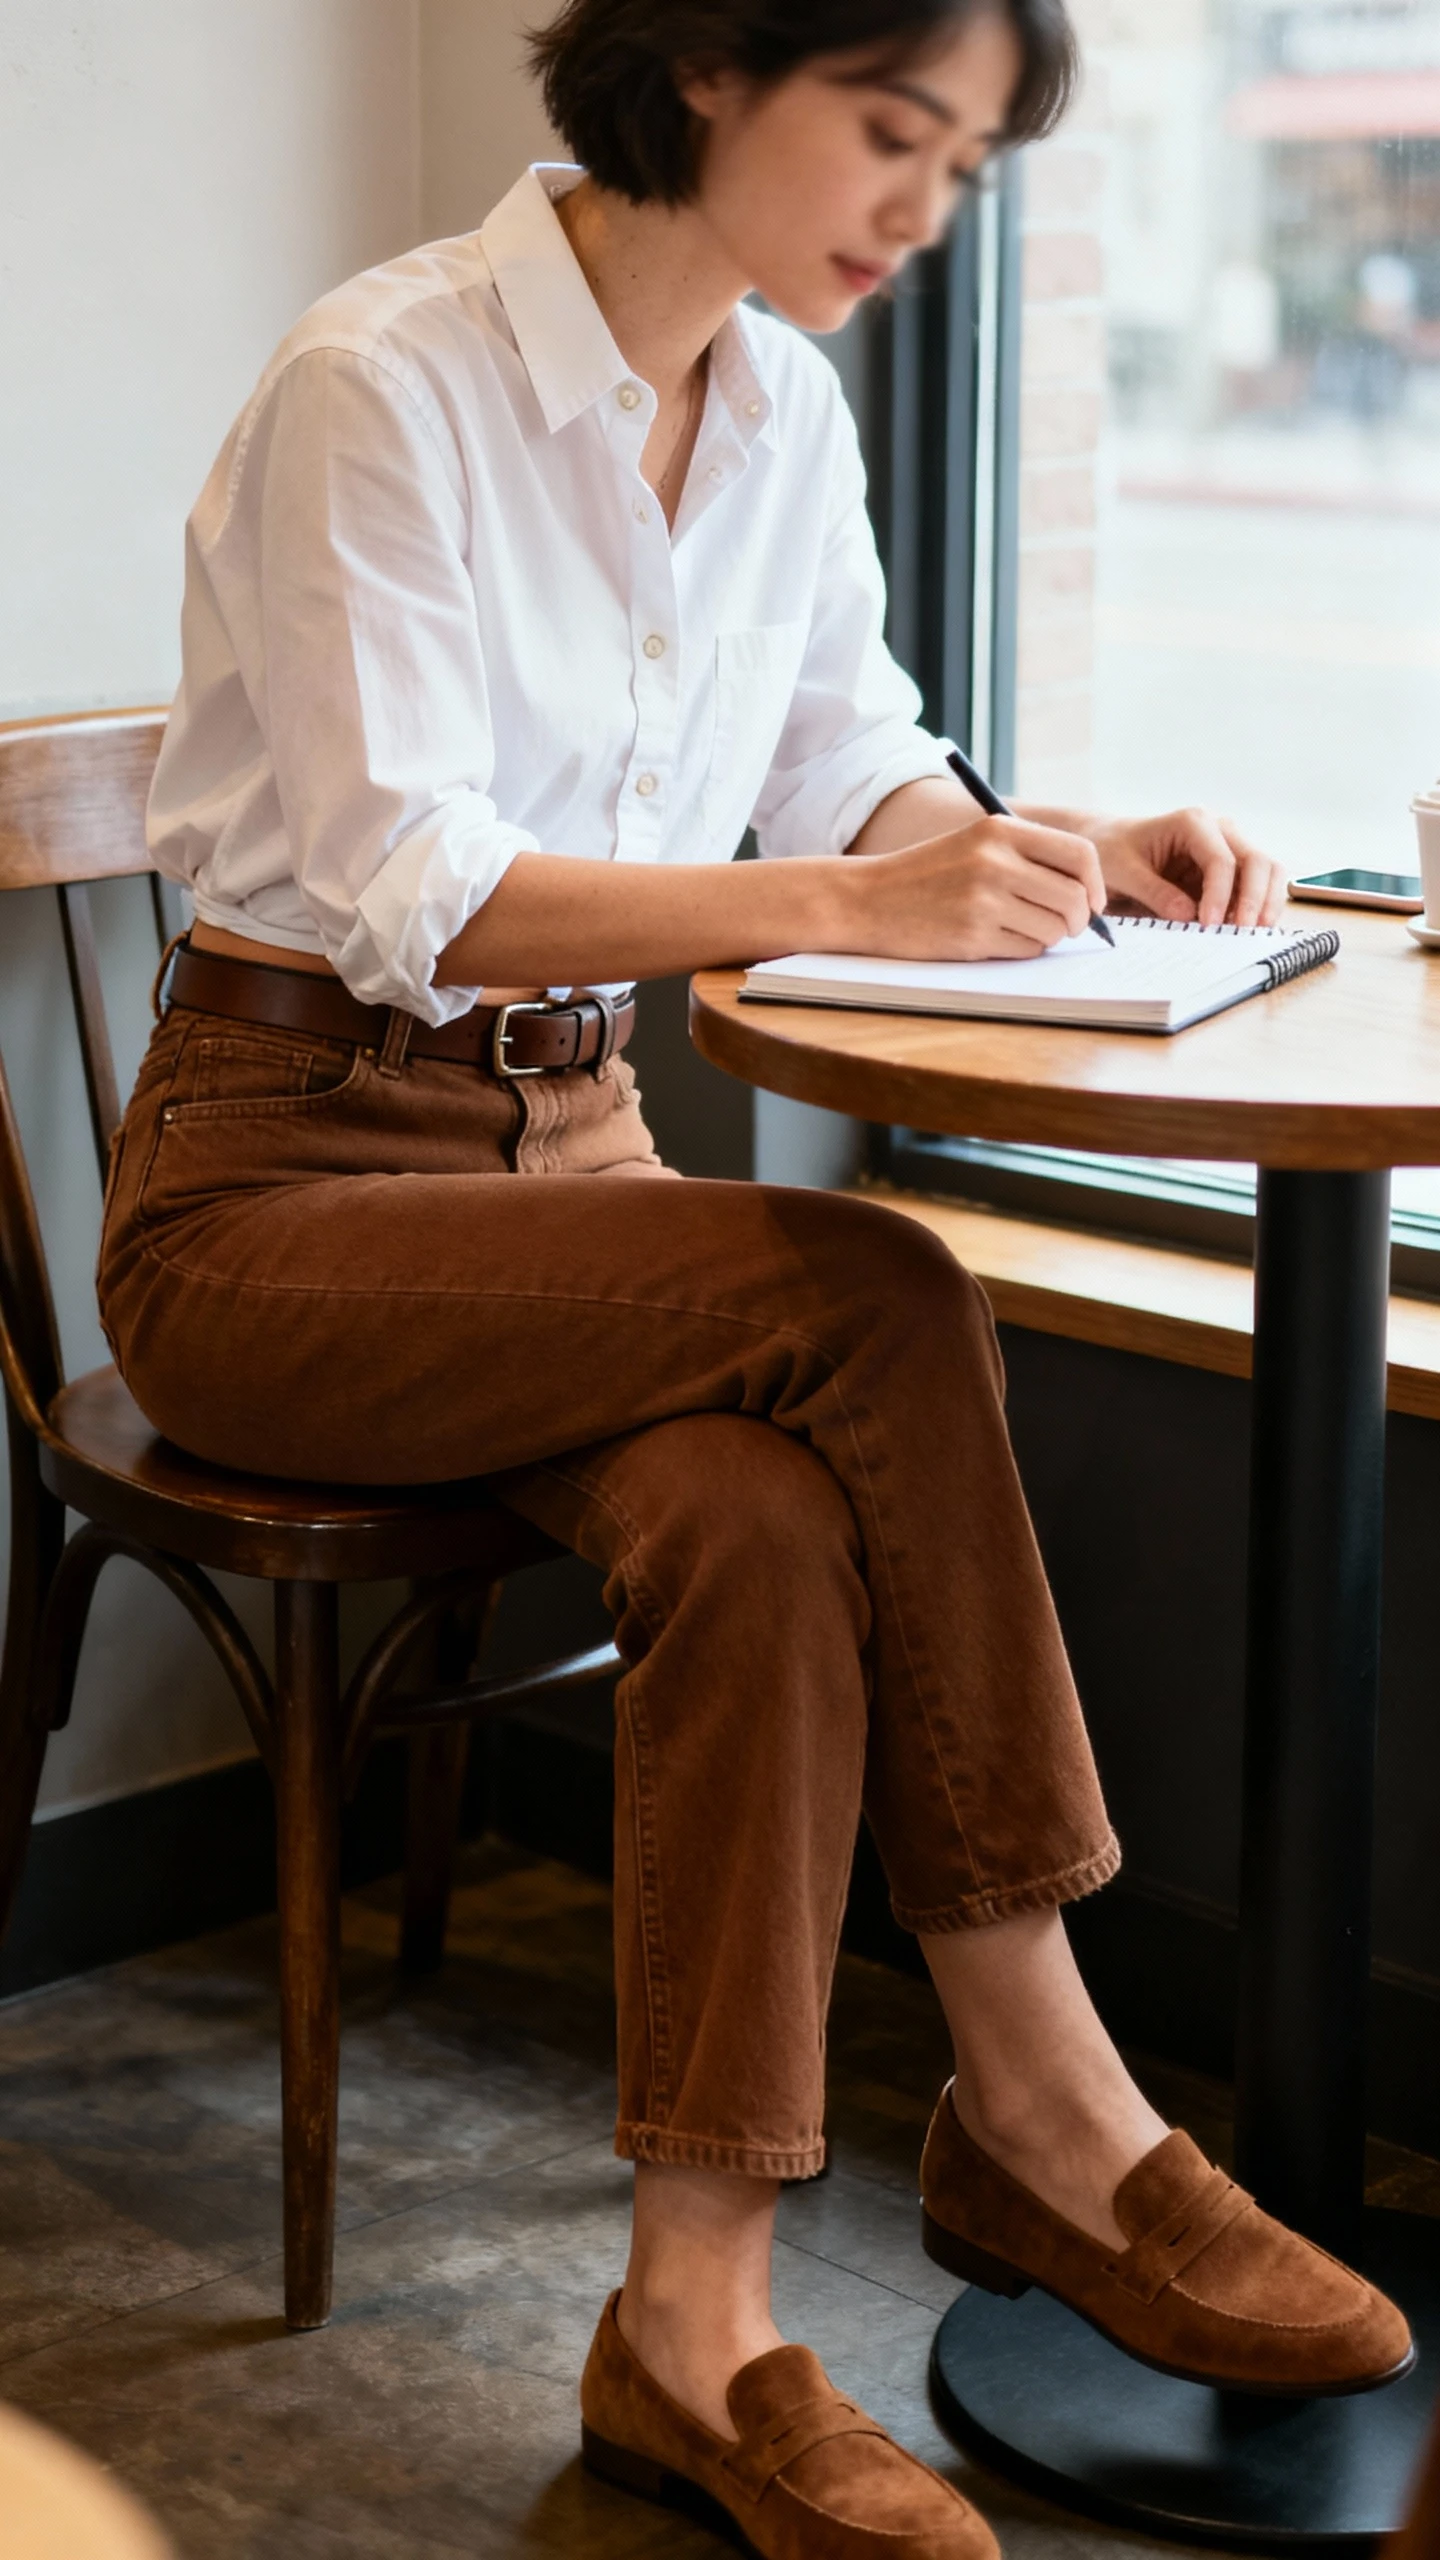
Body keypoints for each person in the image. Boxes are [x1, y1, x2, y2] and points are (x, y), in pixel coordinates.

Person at [99, 1, 1412, 2551]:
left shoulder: (780, 416)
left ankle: (688, 2326)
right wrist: (860, 890)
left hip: (566, 1165)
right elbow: (430, 889)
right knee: (886, 1292)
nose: (924, 207)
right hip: (279, 1194)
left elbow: (848, 762)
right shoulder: (384, 382)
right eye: (889, 129)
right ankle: (1048, 2095)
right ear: (711, 65)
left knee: (760, 1513)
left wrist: (1046, 845)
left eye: (962, 160)